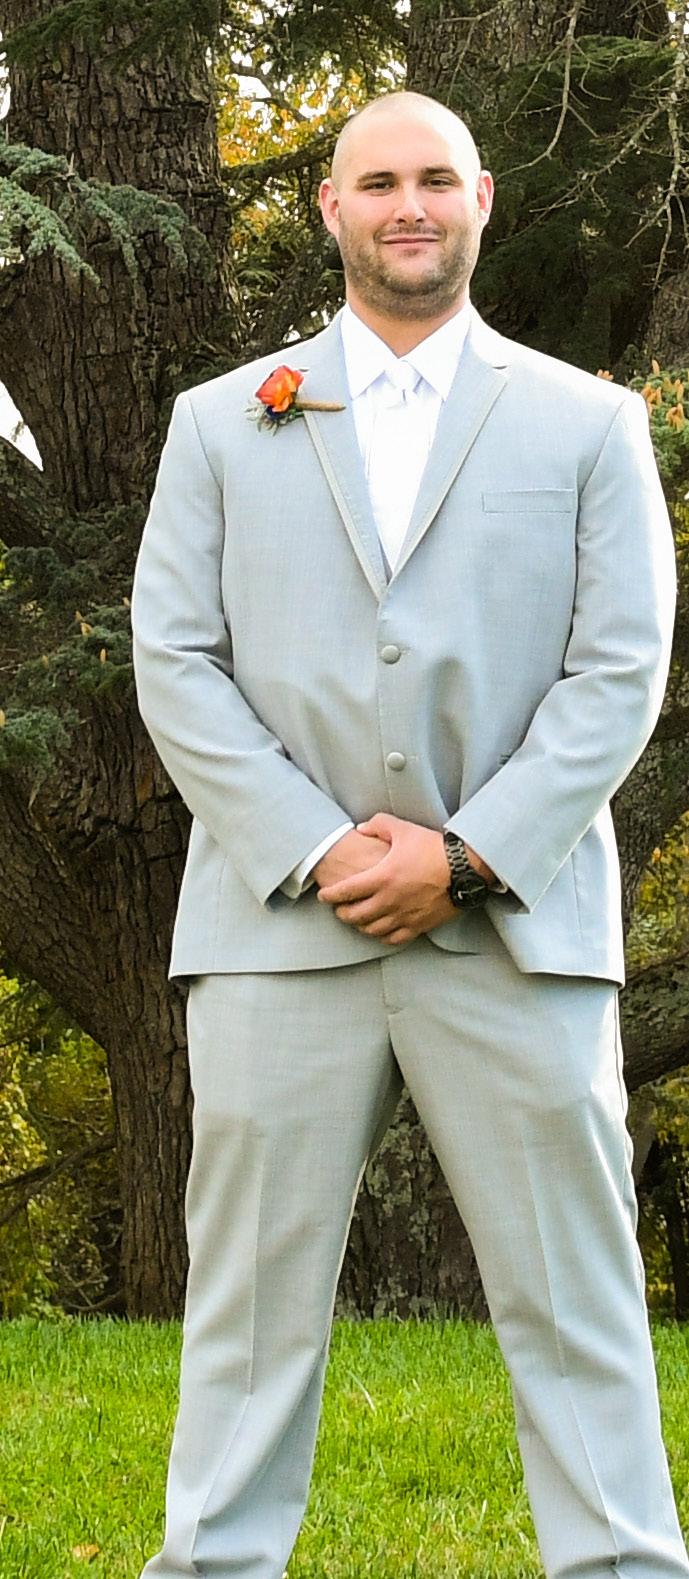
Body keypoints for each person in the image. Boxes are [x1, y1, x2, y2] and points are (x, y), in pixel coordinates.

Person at [130, 89, 689, 1579]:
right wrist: (319, 851)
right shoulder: (221, 421)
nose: (408, 206)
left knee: (575, 1301)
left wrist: (468, 856)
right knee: (247, 1313)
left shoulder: (588, 422)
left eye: (436, 178)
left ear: (481, 198)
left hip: (514, 934)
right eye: (377, 182)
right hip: (278, 933)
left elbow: (618, 670)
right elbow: (174, 661)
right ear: (330, 207)